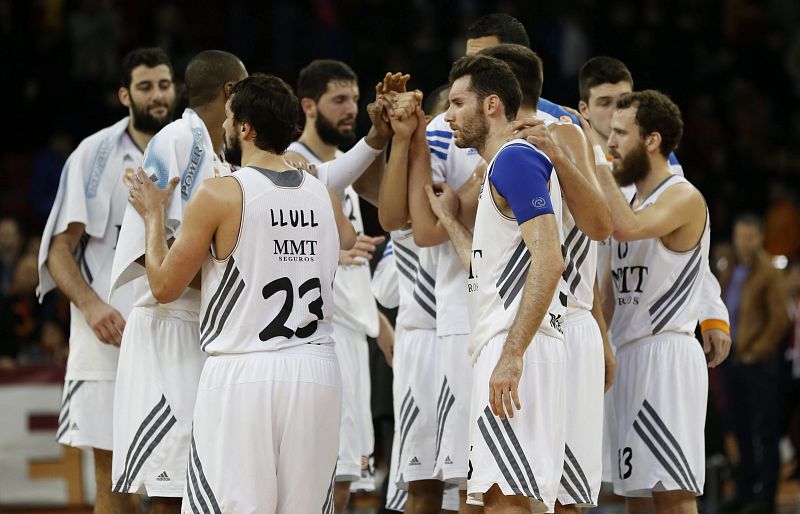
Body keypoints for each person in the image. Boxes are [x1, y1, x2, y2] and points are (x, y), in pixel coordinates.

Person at [128, 73, 356, 514]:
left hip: (244, 371)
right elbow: (345, 240)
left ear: (246, 128)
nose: (224, 126)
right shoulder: (322, 194)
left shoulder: (221, 193)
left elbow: (164, 286)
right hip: (317, 369)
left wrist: (154, 217)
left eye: (230, 119)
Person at [37, 47, 176, 514]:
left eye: (164, 85)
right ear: (124, 95)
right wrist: (91, 306)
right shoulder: (93, 154)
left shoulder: (194, 148)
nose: (157, 96)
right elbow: (58, 248)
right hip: (108, 334)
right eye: (145, 87)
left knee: (171, 486)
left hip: (174, 332)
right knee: (113, 483)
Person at [427, 53, 568, 514]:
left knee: (504, 499)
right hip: (513, 341)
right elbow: (486, 267)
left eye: (457, 103)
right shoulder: (501, 166)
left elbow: (550, 258)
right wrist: (450, 220)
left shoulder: (514, 159)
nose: (448, 116)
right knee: (507, 497)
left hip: (518, 344)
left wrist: (511, 354)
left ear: (491, 105)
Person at [108, 50, 246, 513]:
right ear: (230, 91)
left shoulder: (219, 153)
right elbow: (149, 252)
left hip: (204, 331)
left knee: (206, 488)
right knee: (171, 491)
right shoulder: (175, 139)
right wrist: (232, 287)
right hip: (167, 328)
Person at [595, 90, 728, 514]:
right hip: (628, 354)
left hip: (666, 355)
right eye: (610, 133)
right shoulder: (630, 200)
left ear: (652, 140)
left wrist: (595, 166)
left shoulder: (681, 195)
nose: (610, 142)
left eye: (621, 133)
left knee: (672, 496)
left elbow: (629, 227)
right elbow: (610, 296)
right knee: (637, 497)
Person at [282, 59, 393, 512]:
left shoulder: (341, 167)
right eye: (339, 99)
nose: (350, 109)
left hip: (352, 331)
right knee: (325, 482)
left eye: (354, 99)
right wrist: (331, 251)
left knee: (345, 481)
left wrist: (378, 323)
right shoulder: (293, 163)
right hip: (318, 335)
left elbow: (389, 213)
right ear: (308, 105)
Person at [718, 214, 789, 514]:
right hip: (733, 360)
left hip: (759, 363)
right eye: (740, 236)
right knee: (740, 428)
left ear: (760, 238)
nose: (743, 242)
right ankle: (745, 490)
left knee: (765, 429)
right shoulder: (730, 269)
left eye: (749, 237)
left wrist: (756, 351)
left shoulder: (769, 272)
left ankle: (767, 493)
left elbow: (780, 319)